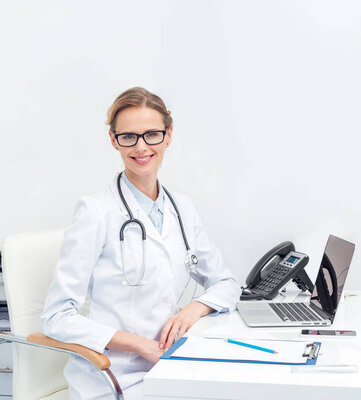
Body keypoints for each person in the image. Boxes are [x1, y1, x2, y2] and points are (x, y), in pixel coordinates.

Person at [41, 87, 241, 400]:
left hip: (169, 367)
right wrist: (139, 345)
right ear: (113, 140)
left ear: (169, 135)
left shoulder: (181, 207)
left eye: (152, 135)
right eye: (129, 137)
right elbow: (56, 318)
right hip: (110, 375)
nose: (141, 147)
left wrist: (194, 309)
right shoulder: (95, 211)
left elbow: (227, 283)